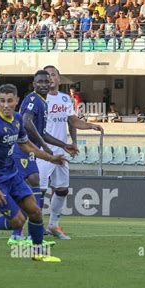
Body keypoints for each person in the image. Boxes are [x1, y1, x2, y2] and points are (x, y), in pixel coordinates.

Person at [0, 83, 66, 262]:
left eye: (10, 100)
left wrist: (50, 157)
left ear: (17, 101)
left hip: (12, 175)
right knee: (17, 221)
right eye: (2, 101)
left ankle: (38, 253)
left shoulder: (17, 119)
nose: (6, 105)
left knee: (35, 212)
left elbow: (26, 145)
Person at [8, 70, 78, 245]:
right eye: (40, 82)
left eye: (47, 82)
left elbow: (42, 132)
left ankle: (19, 235)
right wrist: (45, 148)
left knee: (33, 187)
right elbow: (26, 122)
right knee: (34, 188)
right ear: (34, 84)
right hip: (23, 150)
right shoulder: (33, 99)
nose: (44, 85)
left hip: (30, 151)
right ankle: (28, 235)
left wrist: (63, 145)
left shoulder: (43, 102)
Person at [38, 65, 103, 239]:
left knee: (62, 189)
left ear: (59, 78)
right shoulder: (38, 100)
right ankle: (34, 227)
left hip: (62, 150)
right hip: (43, 151)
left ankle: (53, 225)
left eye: (53, 75)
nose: (50, 78)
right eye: (47, 76)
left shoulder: (65, 99)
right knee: (39, 190)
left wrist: (82, 133)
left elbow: (71, 121)